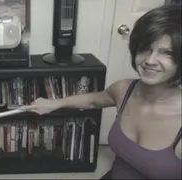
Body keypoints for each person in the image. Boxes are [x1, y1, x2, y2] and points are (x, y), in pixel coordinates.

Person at [20, 4, 181, 179]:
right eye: (145, 49)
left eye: (167, 53)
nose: (150, 60)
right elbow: (93, 100)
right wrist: (53, 103)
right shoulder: (124, 89)